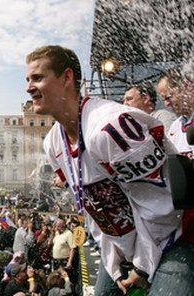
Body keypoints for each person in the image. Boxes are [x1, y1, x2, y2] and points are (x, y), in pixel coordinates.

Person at [25, 45, 192, 295]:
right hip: (127, 246)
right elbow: (93, 209)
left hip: (177, 237)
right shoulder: (53, 143)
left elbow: (163, 211)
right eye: (27, 79)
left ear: (67, 78)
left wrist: (143, 267)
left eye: (37, 78)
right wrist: (114, 263)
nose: (29, 87)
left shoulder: (108, 128)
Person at [156, 68, 194, 157]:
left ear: (186, 86)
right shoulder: (175, 127)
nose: (166, 104)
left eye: (168, 97)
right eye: (163, 100)